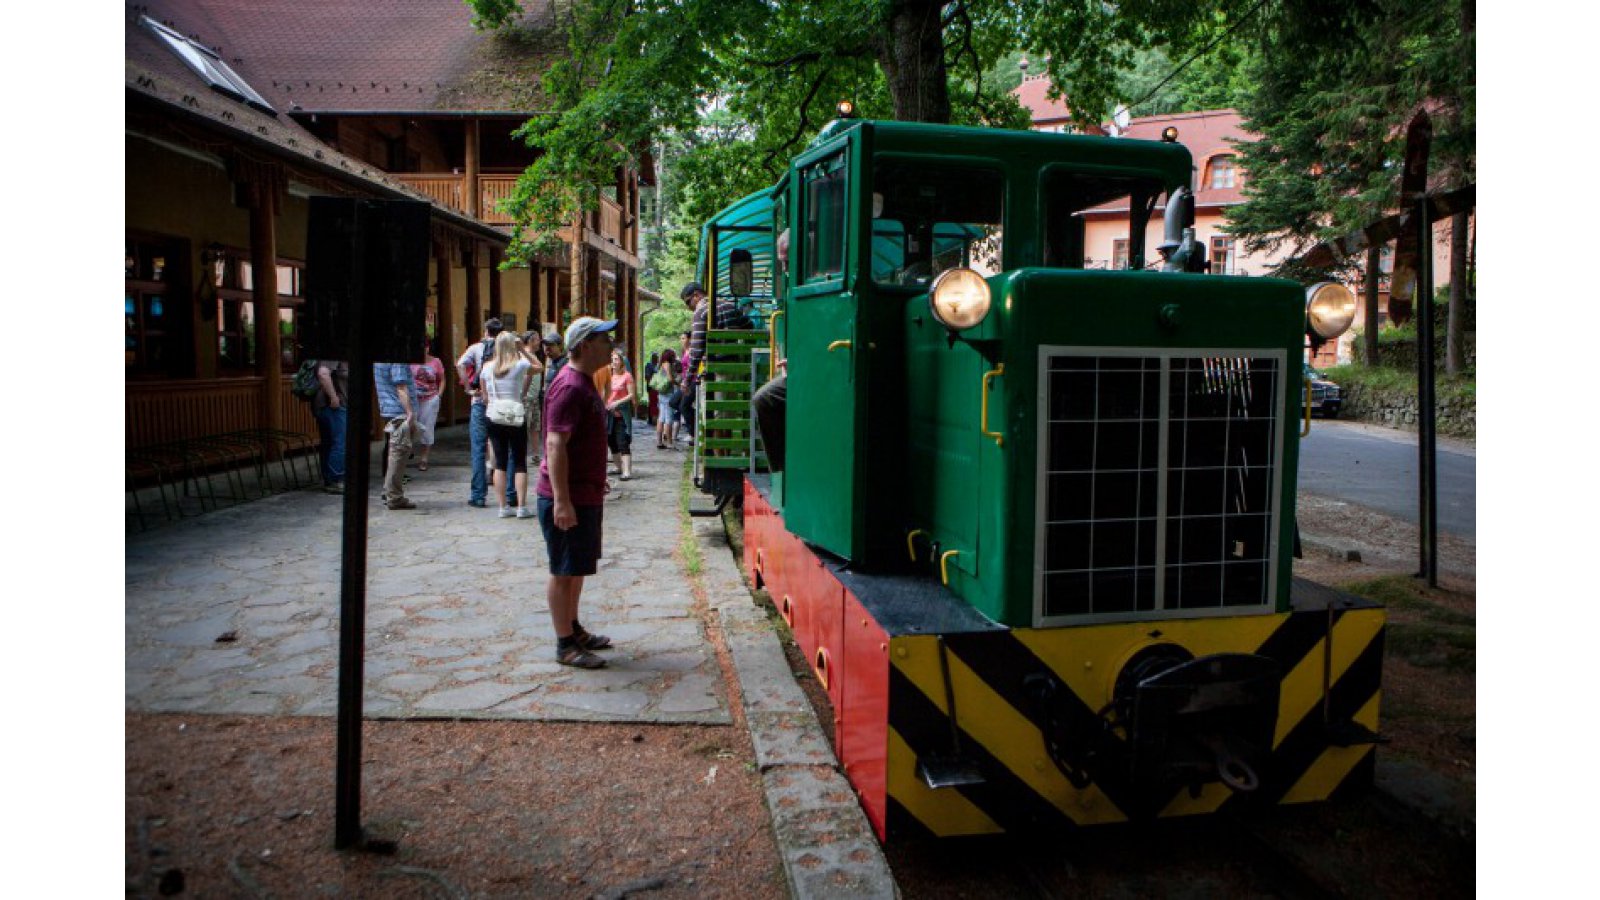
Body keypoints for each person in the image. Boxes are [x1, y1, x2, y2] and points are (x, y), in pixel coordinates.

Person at [537, 315, 618, 669]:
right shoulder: (570, 386)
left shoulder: (582, 382)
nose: (611, 345)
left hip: (584, 492)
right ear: (584, 345)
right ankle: (564, 644)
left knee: (577, 566)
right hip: (567, 497)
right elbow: (555, 445)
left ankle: (574, 629)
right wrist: (563, 500)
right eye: (604, 339)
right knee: (563, 569)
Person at [482, 331, 536, 519]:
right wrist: (523, 350)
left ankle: (503, 507)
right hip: (515, 415)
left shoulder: (487, 368)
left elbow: (485, 396)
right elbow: (539, 367)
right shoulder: (520, 365)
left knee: (500, 462)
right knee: (520, 461)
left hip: (494, 416)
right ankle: (521, 506)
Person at [455, 317, 504, 508]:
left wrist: (468, 387)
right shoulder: (505, 350)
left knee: (478, 448)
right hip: (500, 402)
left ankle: (478, 495)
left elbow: (460, 364)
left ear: (486, 331)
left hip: (479, 400)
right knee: (503, 448)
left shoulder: (476, 348)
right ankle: (509, 493)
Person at [373, 360, 417, 510]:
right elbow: (401, 386)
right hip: (399, 411)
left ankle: (389, 492)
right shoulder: (397, 359)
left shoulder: (379, 358)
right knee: (398, 454)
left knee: (394, 452)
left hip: (388, 407)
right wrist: (410, 412)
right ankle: (394, 496)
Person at [312, 359, 349, 493]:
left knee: (329, 442)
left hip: (330, 406)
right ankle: (335, 479)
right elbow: (323, 373)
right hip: (334, 406)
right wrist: (333, 397)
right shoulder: (332, 356)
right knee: (340, 442)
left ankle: (329, 479)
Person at [411, 340, 445, 471]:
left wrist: (439, 395)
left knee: (428, 427)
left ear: (428, 348)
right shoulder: (411, 361)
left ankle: (424, 457)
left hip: (430, 398)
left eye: (425, 347)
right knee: (410, 426)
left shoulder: (436, 362)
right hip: (413, 399)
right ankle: (410, 450)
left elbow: (442, 379)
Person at [605, 347, 636, 480]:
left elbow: (631, 395)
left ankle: (627, 471)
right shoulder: (608, 375)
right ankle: (619, 467)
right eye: (612, 359)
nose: (614, 362)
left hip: (621, 414)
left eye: (616, 359)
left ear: (622, 361)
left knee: (622, 441)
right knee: (611, 441)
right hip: (609, 414)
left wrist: (617, 403)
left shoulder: (627, 376)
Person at [652, 349, 680, 449]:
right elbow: (670, 378)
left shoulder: (661, 364)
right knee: (669, 419)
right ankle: (669, 442)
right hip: (667, 394)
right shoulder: (667, 364)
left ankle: (659, 442)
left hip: (661, 394)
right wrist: (678, 384)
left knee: (661, 418)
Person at [643, 351, 660, 427]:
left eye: (657, 357)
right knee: (652, 402)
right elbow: (647, 377)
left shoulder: (658, 366)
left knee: (655, 402)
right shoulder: (649, 365)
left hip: (657, 387)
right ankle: (651, 419)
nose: (657, 359)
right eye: (655, 357)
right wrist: (652, 385)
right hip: (652, 387)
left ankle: (653, 418)